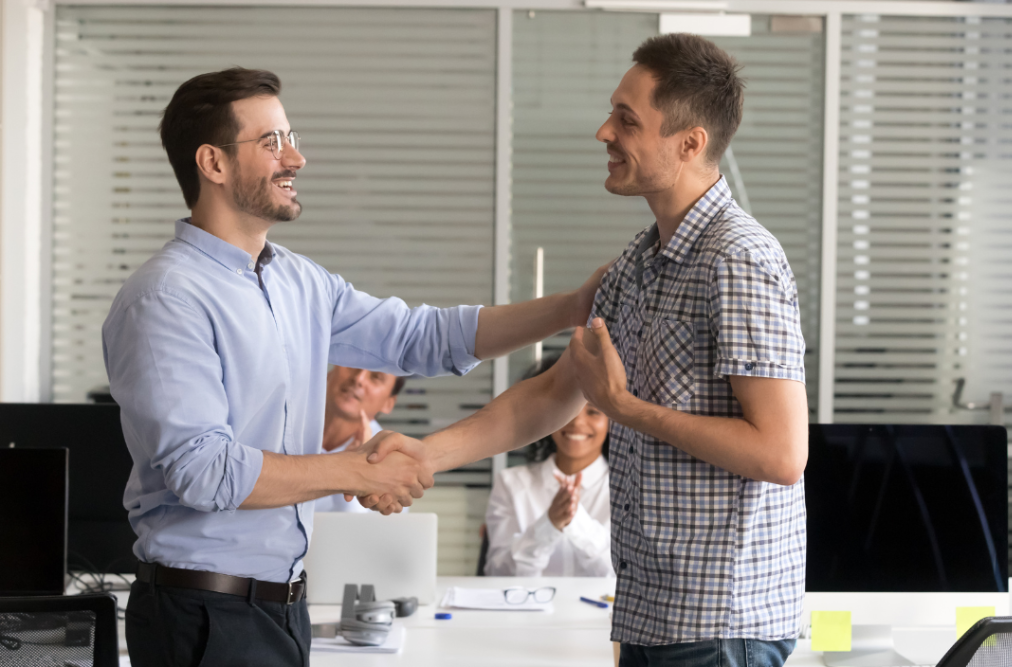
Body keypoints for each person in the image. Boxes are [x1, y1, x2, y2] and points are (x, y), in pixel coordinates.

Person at [102, 67, 606, 667]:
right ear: (212, 163)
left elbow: (423, 337)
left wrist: (571, 307)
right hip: (202, 614)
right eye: (272, 143)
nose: (297, 157)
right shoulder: (165, 298)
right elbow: (204, 471)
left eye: (290, 137)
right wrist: (358, 472)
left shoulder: (297, 280)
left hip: (283, 608)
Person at [365, 33, 808, 667]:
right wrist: (423, 455)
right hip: (653, 616)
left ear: (690, 143)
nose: (605, 132)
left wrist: (626, 410)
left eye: (628, 120)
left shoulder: (739, 258)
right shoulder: (636, 263)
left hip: (720, 624)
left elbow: (781, 453)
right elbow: (552, 393)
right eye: (611, 112)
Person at [484, 355, 613, 577]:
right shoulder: (511, 483)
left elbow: (620, 578)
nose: (577, 422)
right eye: (566, 408)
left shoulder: (629, 488)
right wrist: (549, 524)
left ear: (613, 421)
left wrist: (577, 521)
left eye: (593, 411)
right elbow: (498, 573)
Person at [316, 366, 405, 512]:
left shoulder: (391, 463)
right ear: (330, 372)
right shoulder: (280, 418)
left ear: (389, 403)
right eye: (353, 365)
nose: (359, 379)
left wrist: (354, 473)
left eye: (376, 377)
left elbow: (361, 529)